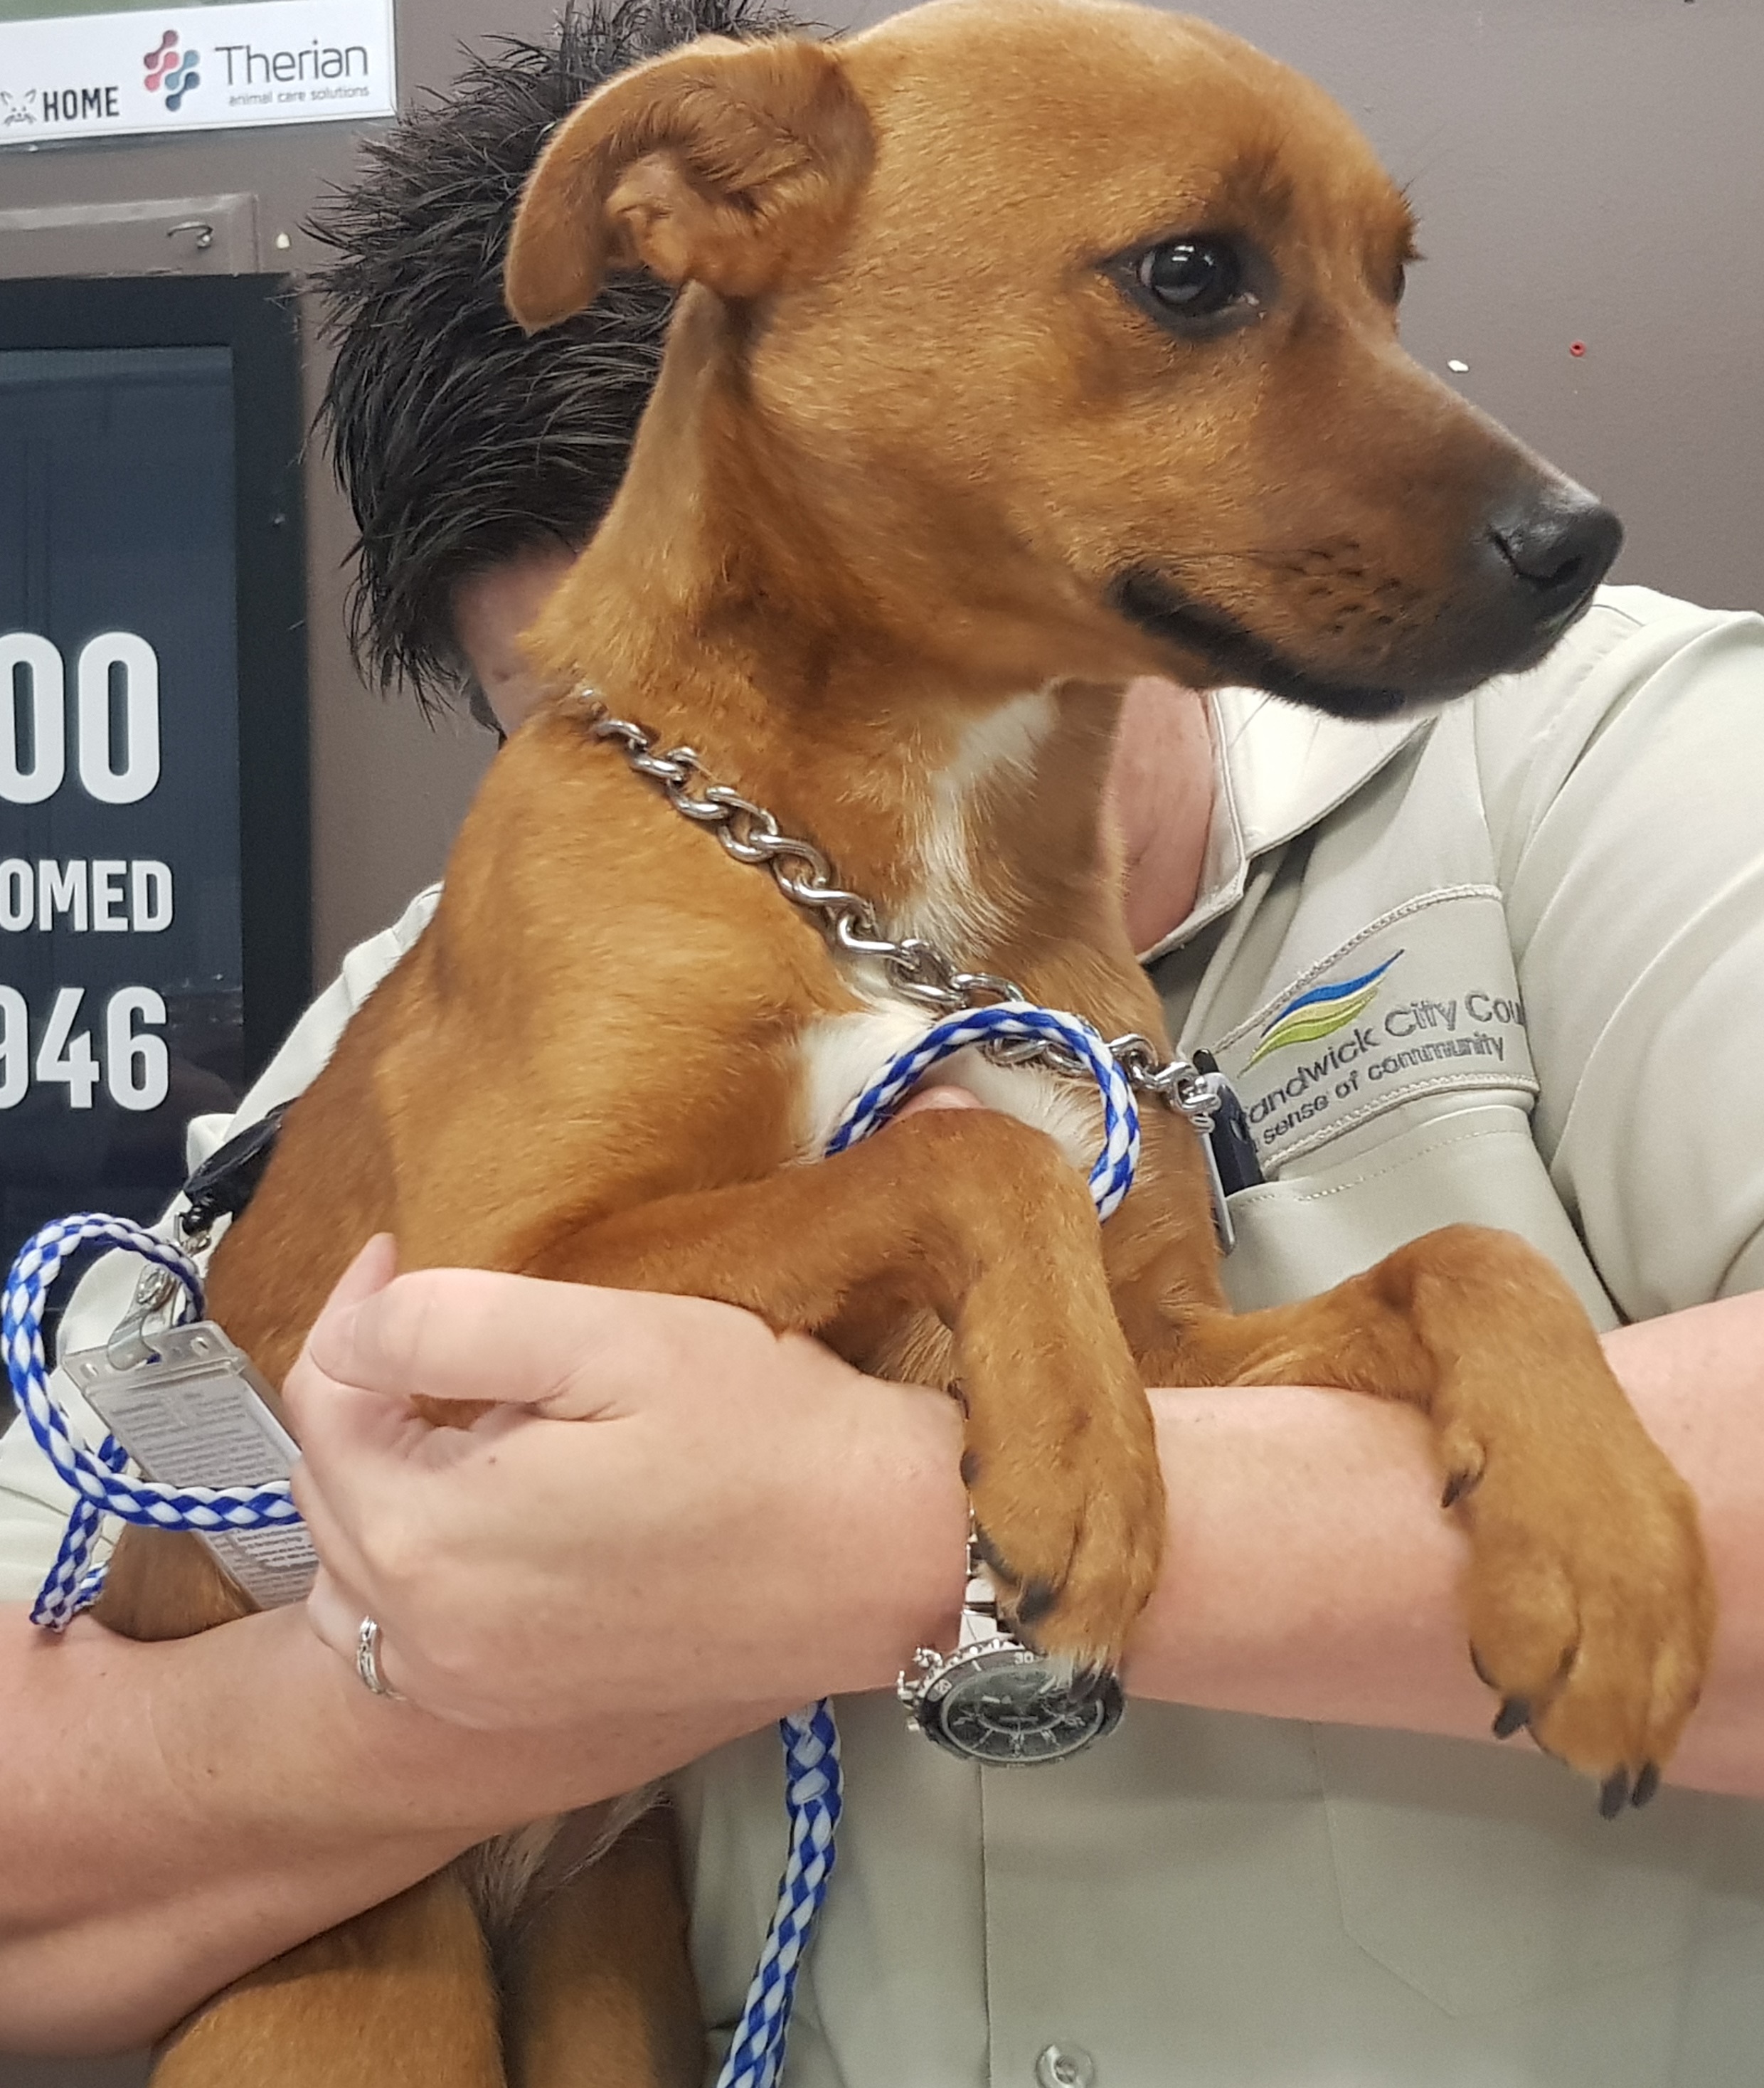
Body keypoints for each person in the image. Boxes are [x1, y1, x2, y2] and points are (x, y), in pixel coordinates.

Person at [3, 4, 1762, 2082]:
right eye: (585, 713)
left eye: (1350, 285)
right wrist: (465, 1668)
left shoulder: (1622, 768)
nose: (711, 766)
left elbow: (1152, 1390)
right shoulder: (460, 962)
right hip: (430, 1889)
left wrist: (879, 1524)